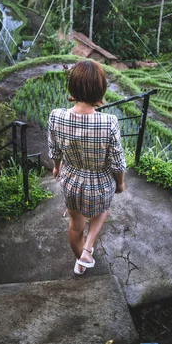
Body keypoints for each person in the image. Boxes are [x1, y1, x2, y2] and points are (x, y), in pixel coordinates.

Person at [48, 60, 126, 275]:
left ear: (72, 87)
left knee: (75, 225)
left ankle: (80, 260)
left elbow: (55, 152)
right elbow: (117, 162)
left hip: (71, 181)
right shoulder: (108, 121)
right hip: (100, 184)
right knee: (101, 210)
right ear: (100, 90)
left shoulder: (56, 116)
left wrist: (57, 168)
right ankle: (88, 249)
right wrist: (119, 183)